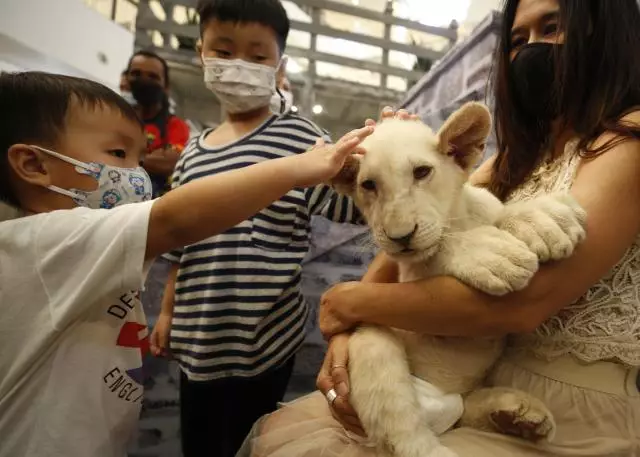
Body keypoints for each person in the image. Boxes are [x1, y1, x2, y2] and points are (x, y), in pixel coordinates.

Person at [239, 0, 640, 456]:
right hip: (480, 376)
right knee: (279, 434)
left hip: (578, 410)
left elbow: (522, 305)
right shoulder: (515, 158)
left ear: (605, 30)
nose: (531, 51)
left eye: (553, 28)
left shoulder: (629, 139)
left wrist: (348, 302)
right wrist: (349, 336)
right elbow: (409, 241)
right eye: (516, 40)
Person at [0, 71, 371, 457]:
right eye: (117, 155)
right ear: (33, 163)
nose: (136, 174)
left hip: (261, 342)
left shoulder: (58, 245)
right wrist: (303, 166)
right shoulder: (48, 243)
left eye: (137, 158)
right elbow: (174, 222)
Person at [147, 1, 365, 456]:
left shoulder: (302, 138)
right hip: (197, 336)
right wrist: (167, 312)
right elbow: (176, 243)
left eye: (257, 55)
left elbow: (349, 206)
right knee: (201, 444)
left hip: (265, 338)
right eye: (223, 51)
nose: (238, 65)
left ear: (279, 63)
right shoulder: (191, 153)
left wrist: (383, 164)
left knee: (253, 445)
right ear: (202, 52)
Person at [124, 50, 190, 197]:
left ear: (166, 87)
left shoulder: (175, 125)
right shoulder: (116, 118)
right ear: (126, 78)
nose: (144, 80)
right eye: (136, 74)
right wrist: (145, 156)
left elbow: (168, 163)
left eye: (153, 76)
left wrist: (121, 156)